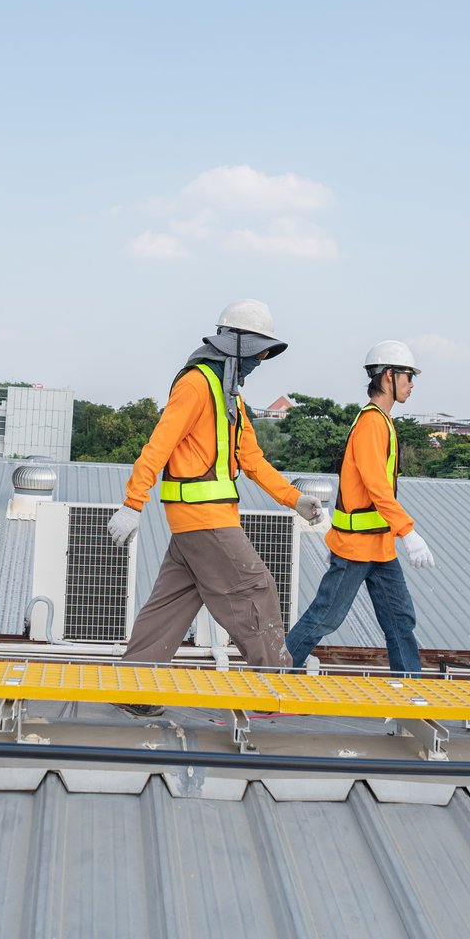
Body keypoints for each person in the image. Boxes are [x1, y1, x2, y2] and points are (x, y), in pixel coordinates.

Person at [109, 300, 322, 711]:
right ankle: (275, 693)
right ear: (234, 345)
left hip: (197, 524)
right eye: (258, 350)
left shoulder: (230, 396)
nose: (261, 358)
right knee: (255, 590)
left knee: (170, 605)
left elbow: (252, 459)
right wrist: (133, 503)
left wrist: (295, 499)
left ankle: (131, 688)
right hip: (206, 521)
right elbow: (159, 444)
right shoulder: (196, 384)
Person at [285, 339, 432, 673]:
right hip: (356, 549)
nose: (412, 383)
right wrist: (408, 531)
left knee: (400, 619)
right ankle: (272, 676)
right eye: (408, 375)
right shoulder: (371, 424)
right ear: (387, 377)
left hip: (379, 547)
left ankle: (408, 691)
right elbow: (375, 485)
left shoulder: (382, 422)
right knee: (326, 617)